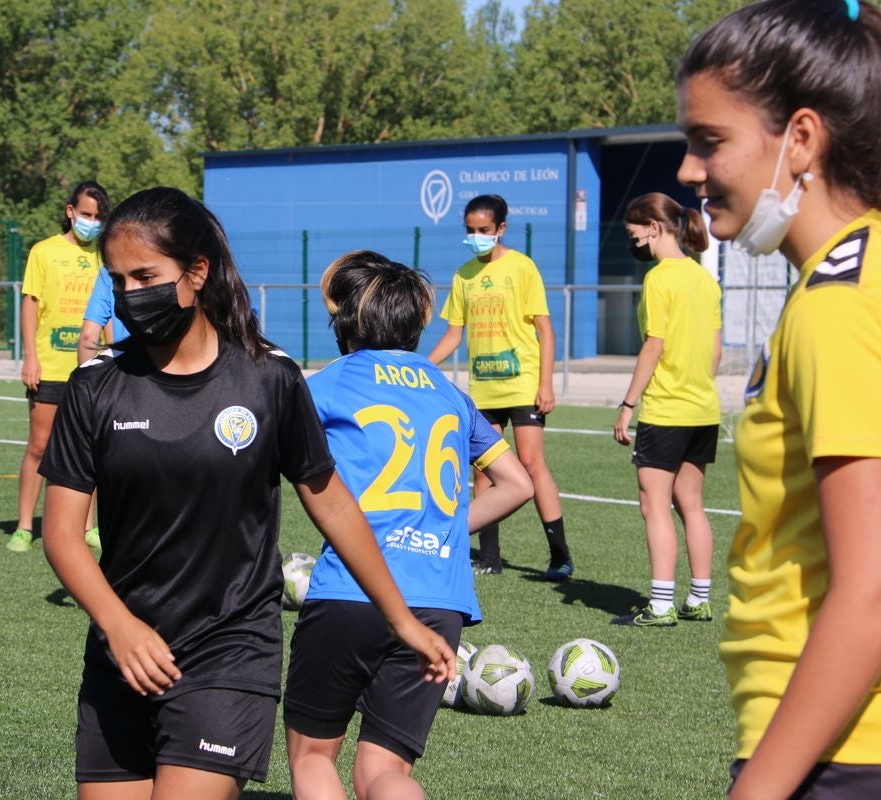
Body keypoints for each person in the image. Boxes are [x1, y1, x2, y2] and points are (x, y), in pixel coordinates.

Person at [37, 187, 454, 800]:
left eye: (146, 276)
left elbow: (333, 502)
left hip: (229, 650)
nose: (130, 296)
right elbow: (62, 532)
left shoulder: (268, 379)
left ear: (196, 272)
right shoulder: (96, 387)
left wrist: (402, 619)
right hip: (121, 653)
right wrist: (117, 625)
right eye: (118, 281)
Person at [677, 1, 881, 796]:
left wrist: (760, 787)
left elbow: (876, 590)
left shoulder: (841, 305)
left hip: (852, 754)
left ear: (801, 138)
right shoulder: (873, 271)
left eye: (710, 142)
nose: (688, 170)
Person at [284, 251, 534, 800]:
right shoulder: (449, 392)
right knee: (385, 772)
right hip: (439, 600)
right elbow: (519, 484)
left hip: (352, 590)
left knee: (312, 756)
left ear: (344, 322)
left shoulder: (324, 385)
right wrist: (442, 530)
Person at [428, 194, 573, 580]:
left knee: (530, 464)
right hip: (484, 389)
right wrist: (422, 365)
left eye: (484, 231)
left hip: (522, 385)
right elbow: (453, 335)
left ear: (501, 229)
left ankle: (559, 556)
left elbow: (545, 330)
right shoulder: (463, 276)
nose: (477, 237)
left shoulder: (522, 268)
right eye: (471, 231)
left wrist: (546, 384)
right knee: (484, 473)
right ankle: (489, 558)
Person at [610, 193, 721, 627]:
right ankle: (700, 599)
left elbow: (652, 346)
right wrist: (699, 388)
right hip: (703, 408)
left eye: (632, 233)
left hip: (666, 410)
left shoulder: (660, 279)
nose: (632, 241)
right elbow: (713, 349)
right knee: (691, 504)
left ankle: (659, 605)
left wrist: (626, 406)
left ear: (653, 229)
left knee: (653, 504)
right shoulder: (704, 279)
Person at [8, 181, 108, 553]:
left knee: (92, 448)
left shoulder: (105, 255)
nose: (91, 223)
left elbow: (110, 309)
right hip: (50, 365)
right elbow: (30, 304)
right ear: (70, 211)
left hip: (93, 367)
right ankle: (23, 527)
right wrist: (30, 357)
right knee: (39, 446)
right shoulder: (44, 252)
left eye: (98, 217)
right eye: (86, 215)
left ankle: (88, 525)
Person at [75, 267, 129, 365]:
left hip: (124, 367)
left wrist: (85, 376)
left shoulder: (109, 269)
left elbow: (88, 335)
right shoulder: (162, 261)